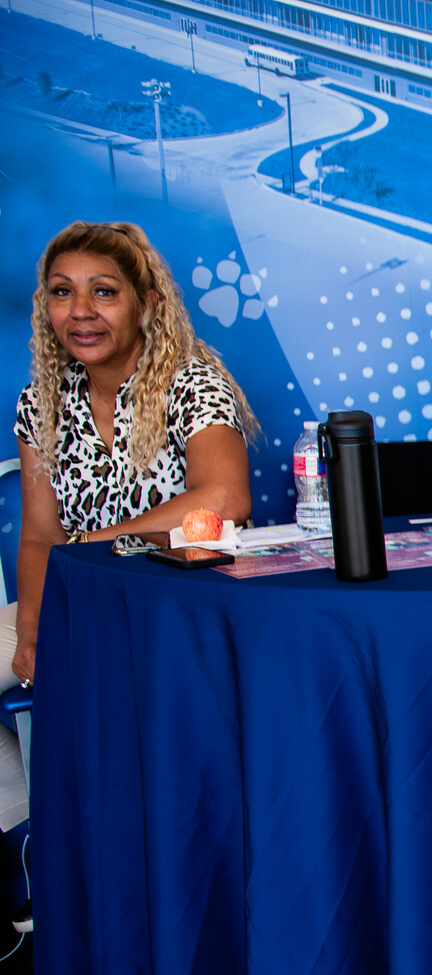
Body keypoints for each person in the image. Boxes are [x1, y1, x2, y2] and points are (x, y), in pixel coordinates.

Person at [12, 221, 255, 688]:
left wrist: (90, 546)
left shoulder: (192, 383)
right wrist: (31, 631)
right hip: (85, 595)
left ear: (145, 305)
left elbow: (225, 498)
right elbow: (40, 538)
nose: (80, 312)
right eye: (62, 293)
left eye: (103, 293)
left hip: (185, 600)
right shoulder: (41, 401)